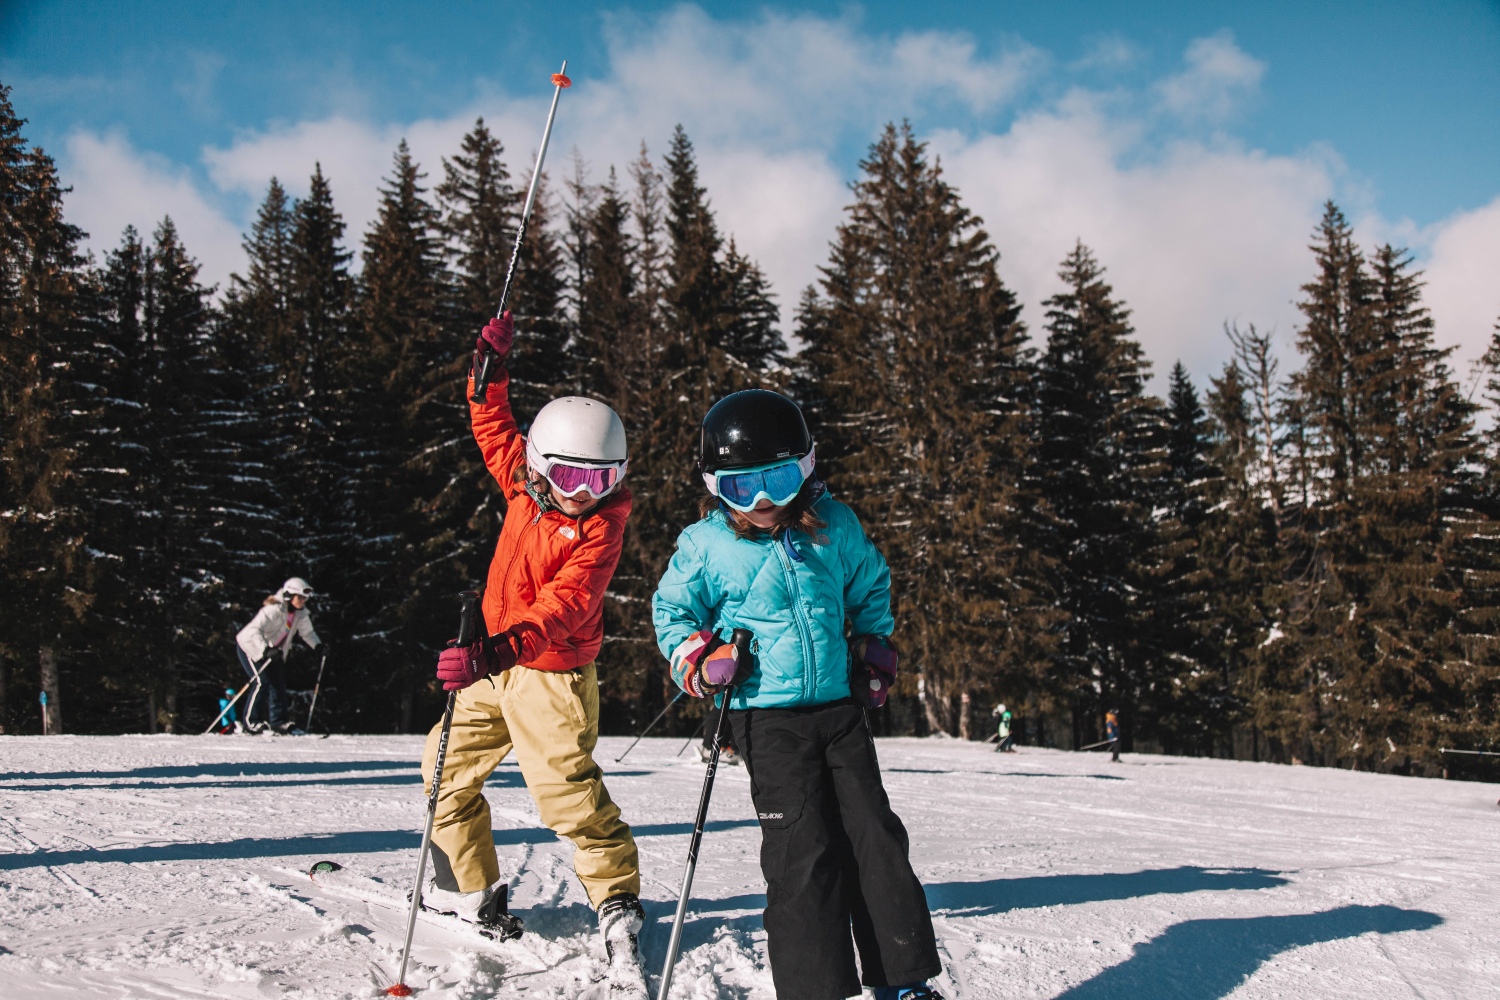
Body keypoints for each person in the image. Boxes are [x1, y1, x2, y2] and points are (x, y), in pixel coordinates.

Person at [653, 389, 945, 1000]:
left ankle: (904, 980)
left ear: (806, 469)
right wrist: (702, 660)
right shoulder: (706, 546)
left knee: (876, 838)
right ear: (715, 486)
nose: (761, 503)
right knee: (802, 854)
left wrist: (873, 645)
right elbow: (672, 613)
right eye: (741, 488)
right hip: (767, 721)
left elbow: (870, 584)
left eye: (777, 481)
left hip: (839, 711)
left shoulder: (834, 525)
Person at [423, 311, 645, 976]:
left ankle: (616, 899)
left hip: (549, 674)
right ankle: (470, 891)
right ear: (541, 470)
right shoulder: (524, 489)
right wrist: (486, 372)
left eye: (601, 481)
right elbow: (492, 426)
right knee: (443, 769)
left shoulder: (603, 532)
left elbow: (564, 606)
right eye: (573, 479)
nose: (585, 496)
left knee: (565, 796)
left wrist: (495, 651)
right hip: (495, 664)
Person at [235, 577, 322, 734]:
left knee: (278, 685)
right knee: (261, 682)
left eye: (305, 598)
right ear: (289, 596)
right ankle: (251, 722)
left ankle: (278, 722)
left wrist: (318, 646)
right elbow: (254, 630)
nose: (303, 601)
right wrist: (264, 649)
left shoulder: (300, 614)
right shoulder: (273, 609)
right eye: (300, 597)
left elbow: (307, 633)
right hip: (250, 646)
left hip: (272, 652)